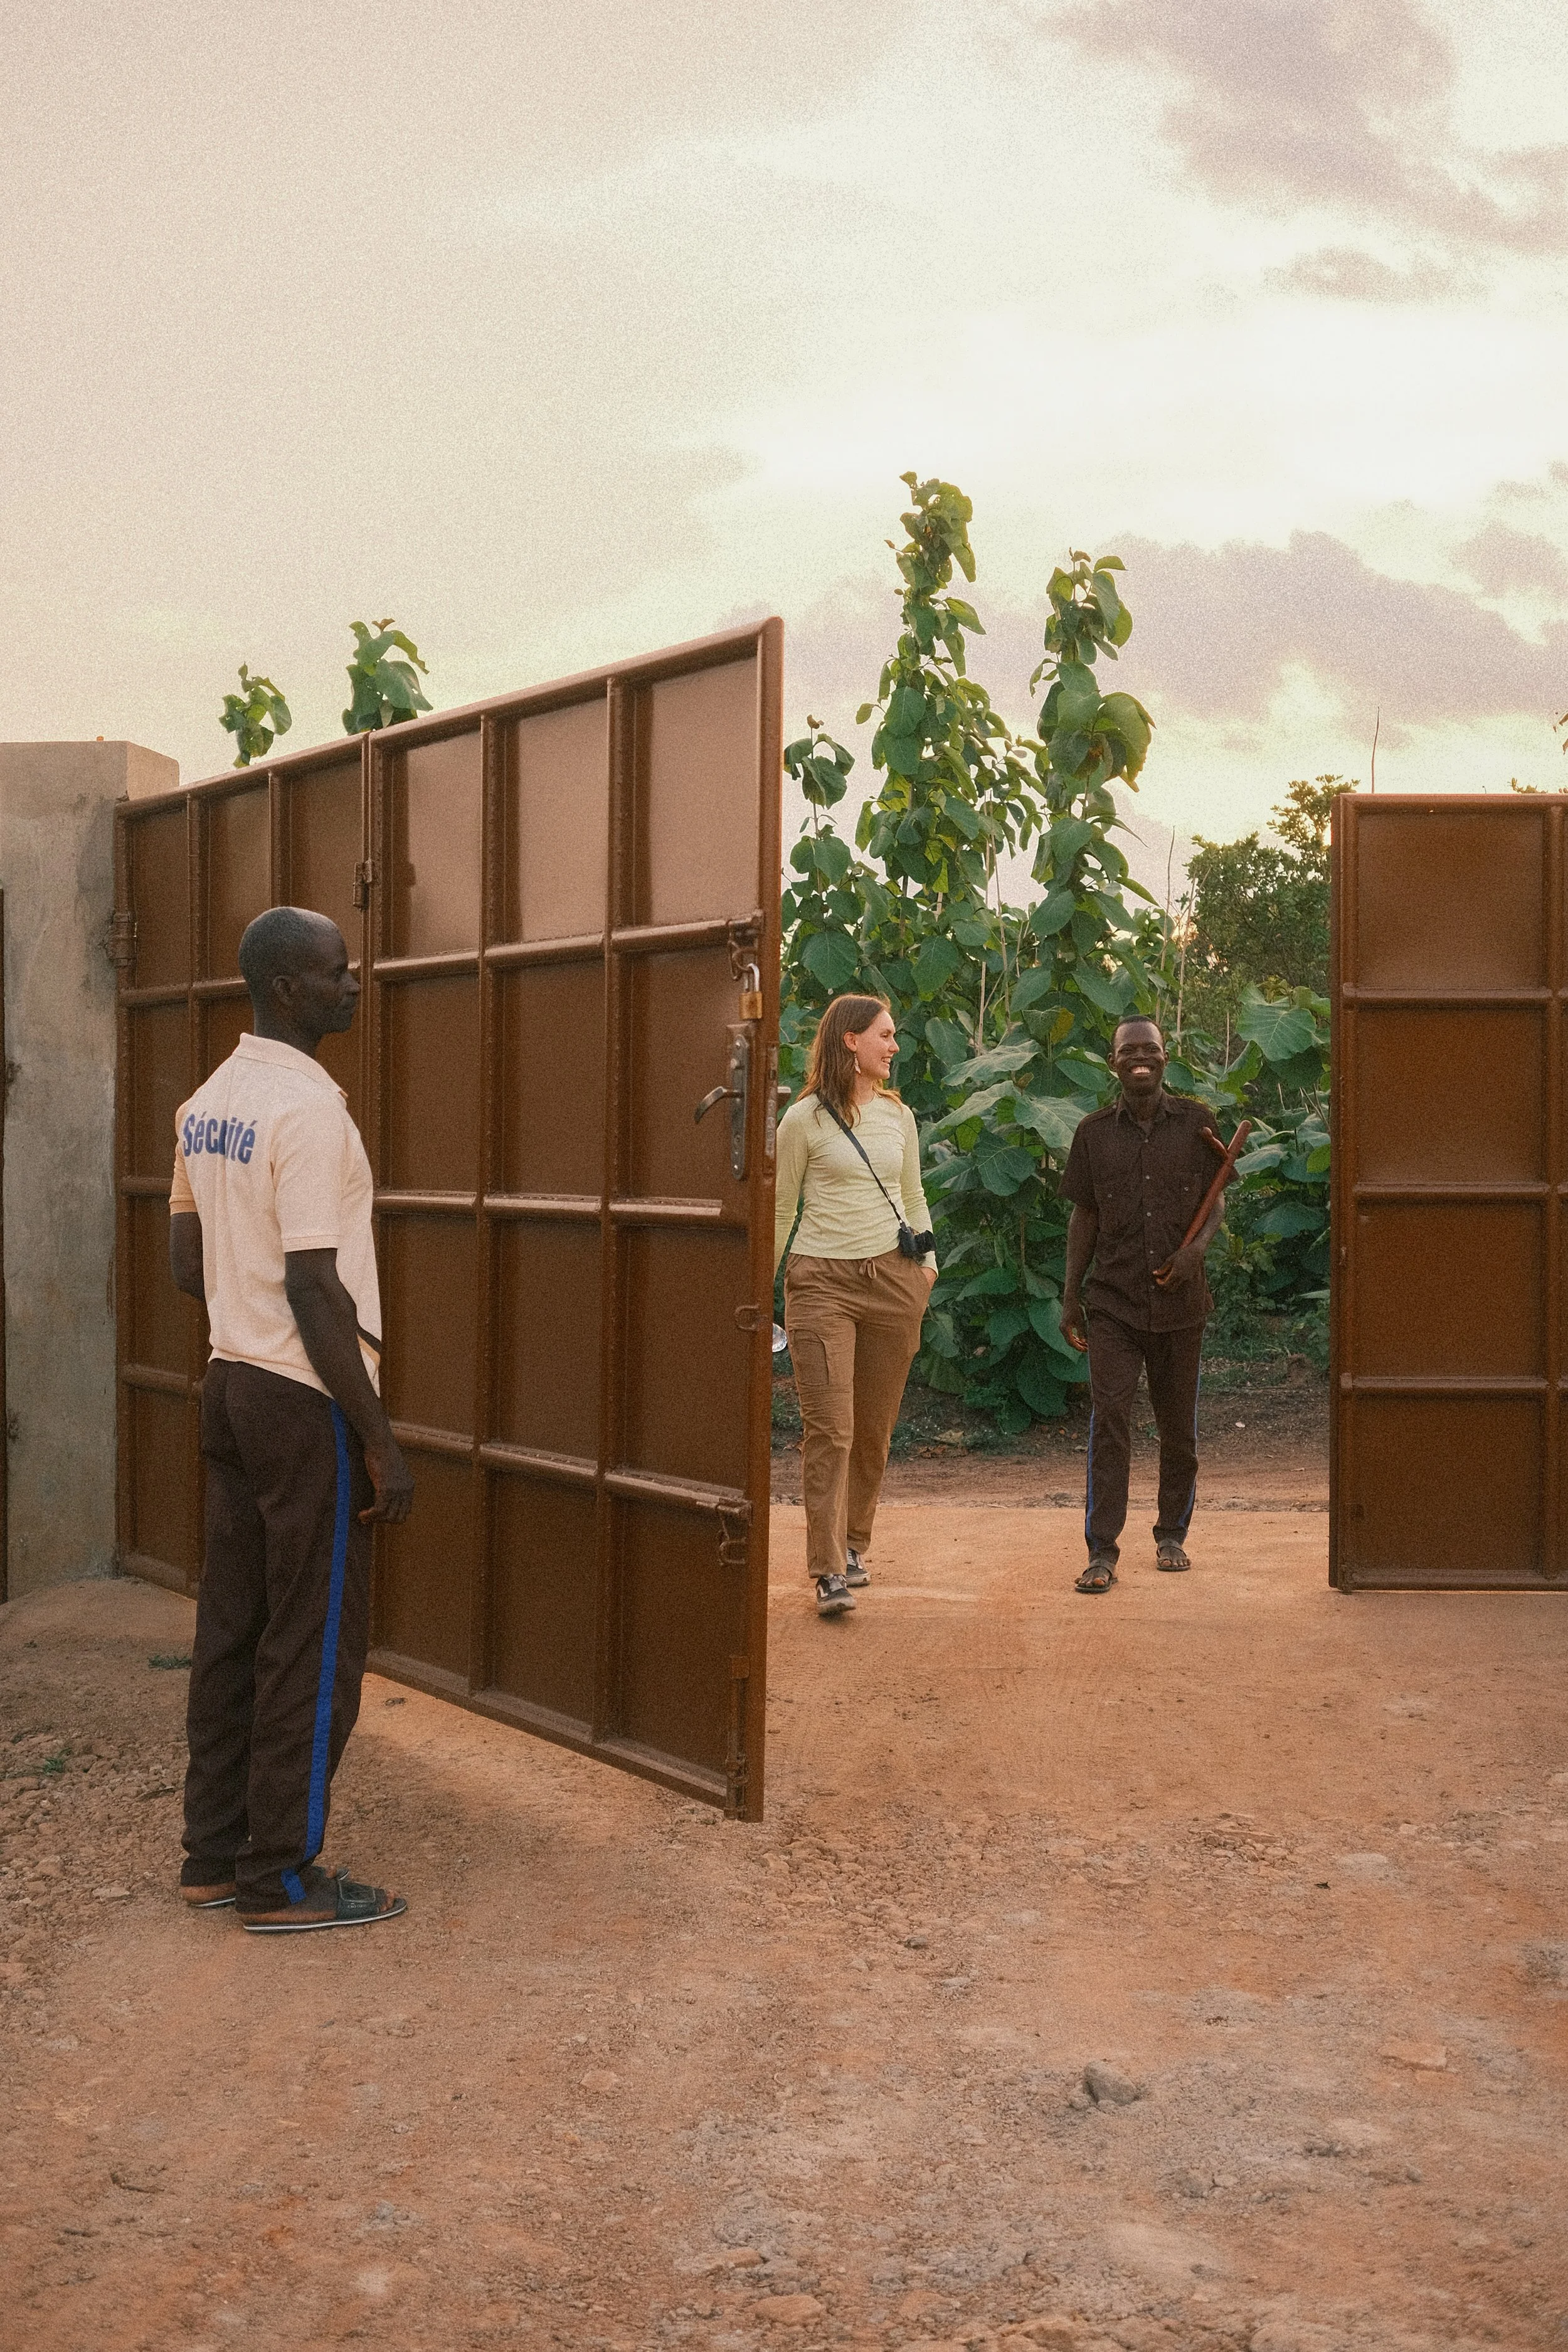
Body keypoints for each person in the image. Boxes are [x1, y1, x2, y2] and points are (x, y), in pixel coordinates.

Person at [167, 905, 415, 1931]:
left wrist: (247, 1317)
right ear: (285, 988)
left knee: (233, 1626)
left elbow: (189, 1265)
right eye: (336, 972)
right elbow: (317, 1290)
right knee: (311, 1642)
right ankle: (279, 1879)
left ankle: (213, 1857)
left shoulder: (207, 1103)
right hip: (301, 1395)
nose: (354, 984)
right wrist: (379, 1437)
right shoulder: (308, 1115)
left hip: (230, 1380)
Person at [775, 993, 938, 1618]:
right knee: (831, 1430)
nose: (894, 1046)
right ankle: (827, 1571)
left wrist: (927, 1264)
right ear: (850, 1042)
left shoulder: (900, 1117)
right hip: (821, 1285)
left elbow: (913, 1192)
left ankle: (854, 1544)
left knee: (871, 1430)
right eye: (885, 1036)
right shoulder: (803, 1121)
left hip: (894, 1281)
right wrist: (758, 1293)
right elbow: (784, 1210)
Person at [1057, 1015, 1226, 1595]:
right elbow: (1085, 1216)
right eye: (1128, 1051)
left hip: (1182, 1304)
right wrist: (1069, 1296)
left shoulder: (1199, 1125)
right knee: (1111, 1422)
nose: (1139, 1058)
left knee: (1178, 1428)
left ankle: (1171, 1534)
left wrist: (1194, 1255)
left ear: (1164, 1057)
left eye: (1149, 1050)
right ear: (1113, 1063)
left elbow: (1217, 1200)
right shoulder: (1093, 1133)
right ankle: (1102, 1551)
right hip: (1114, 1304)